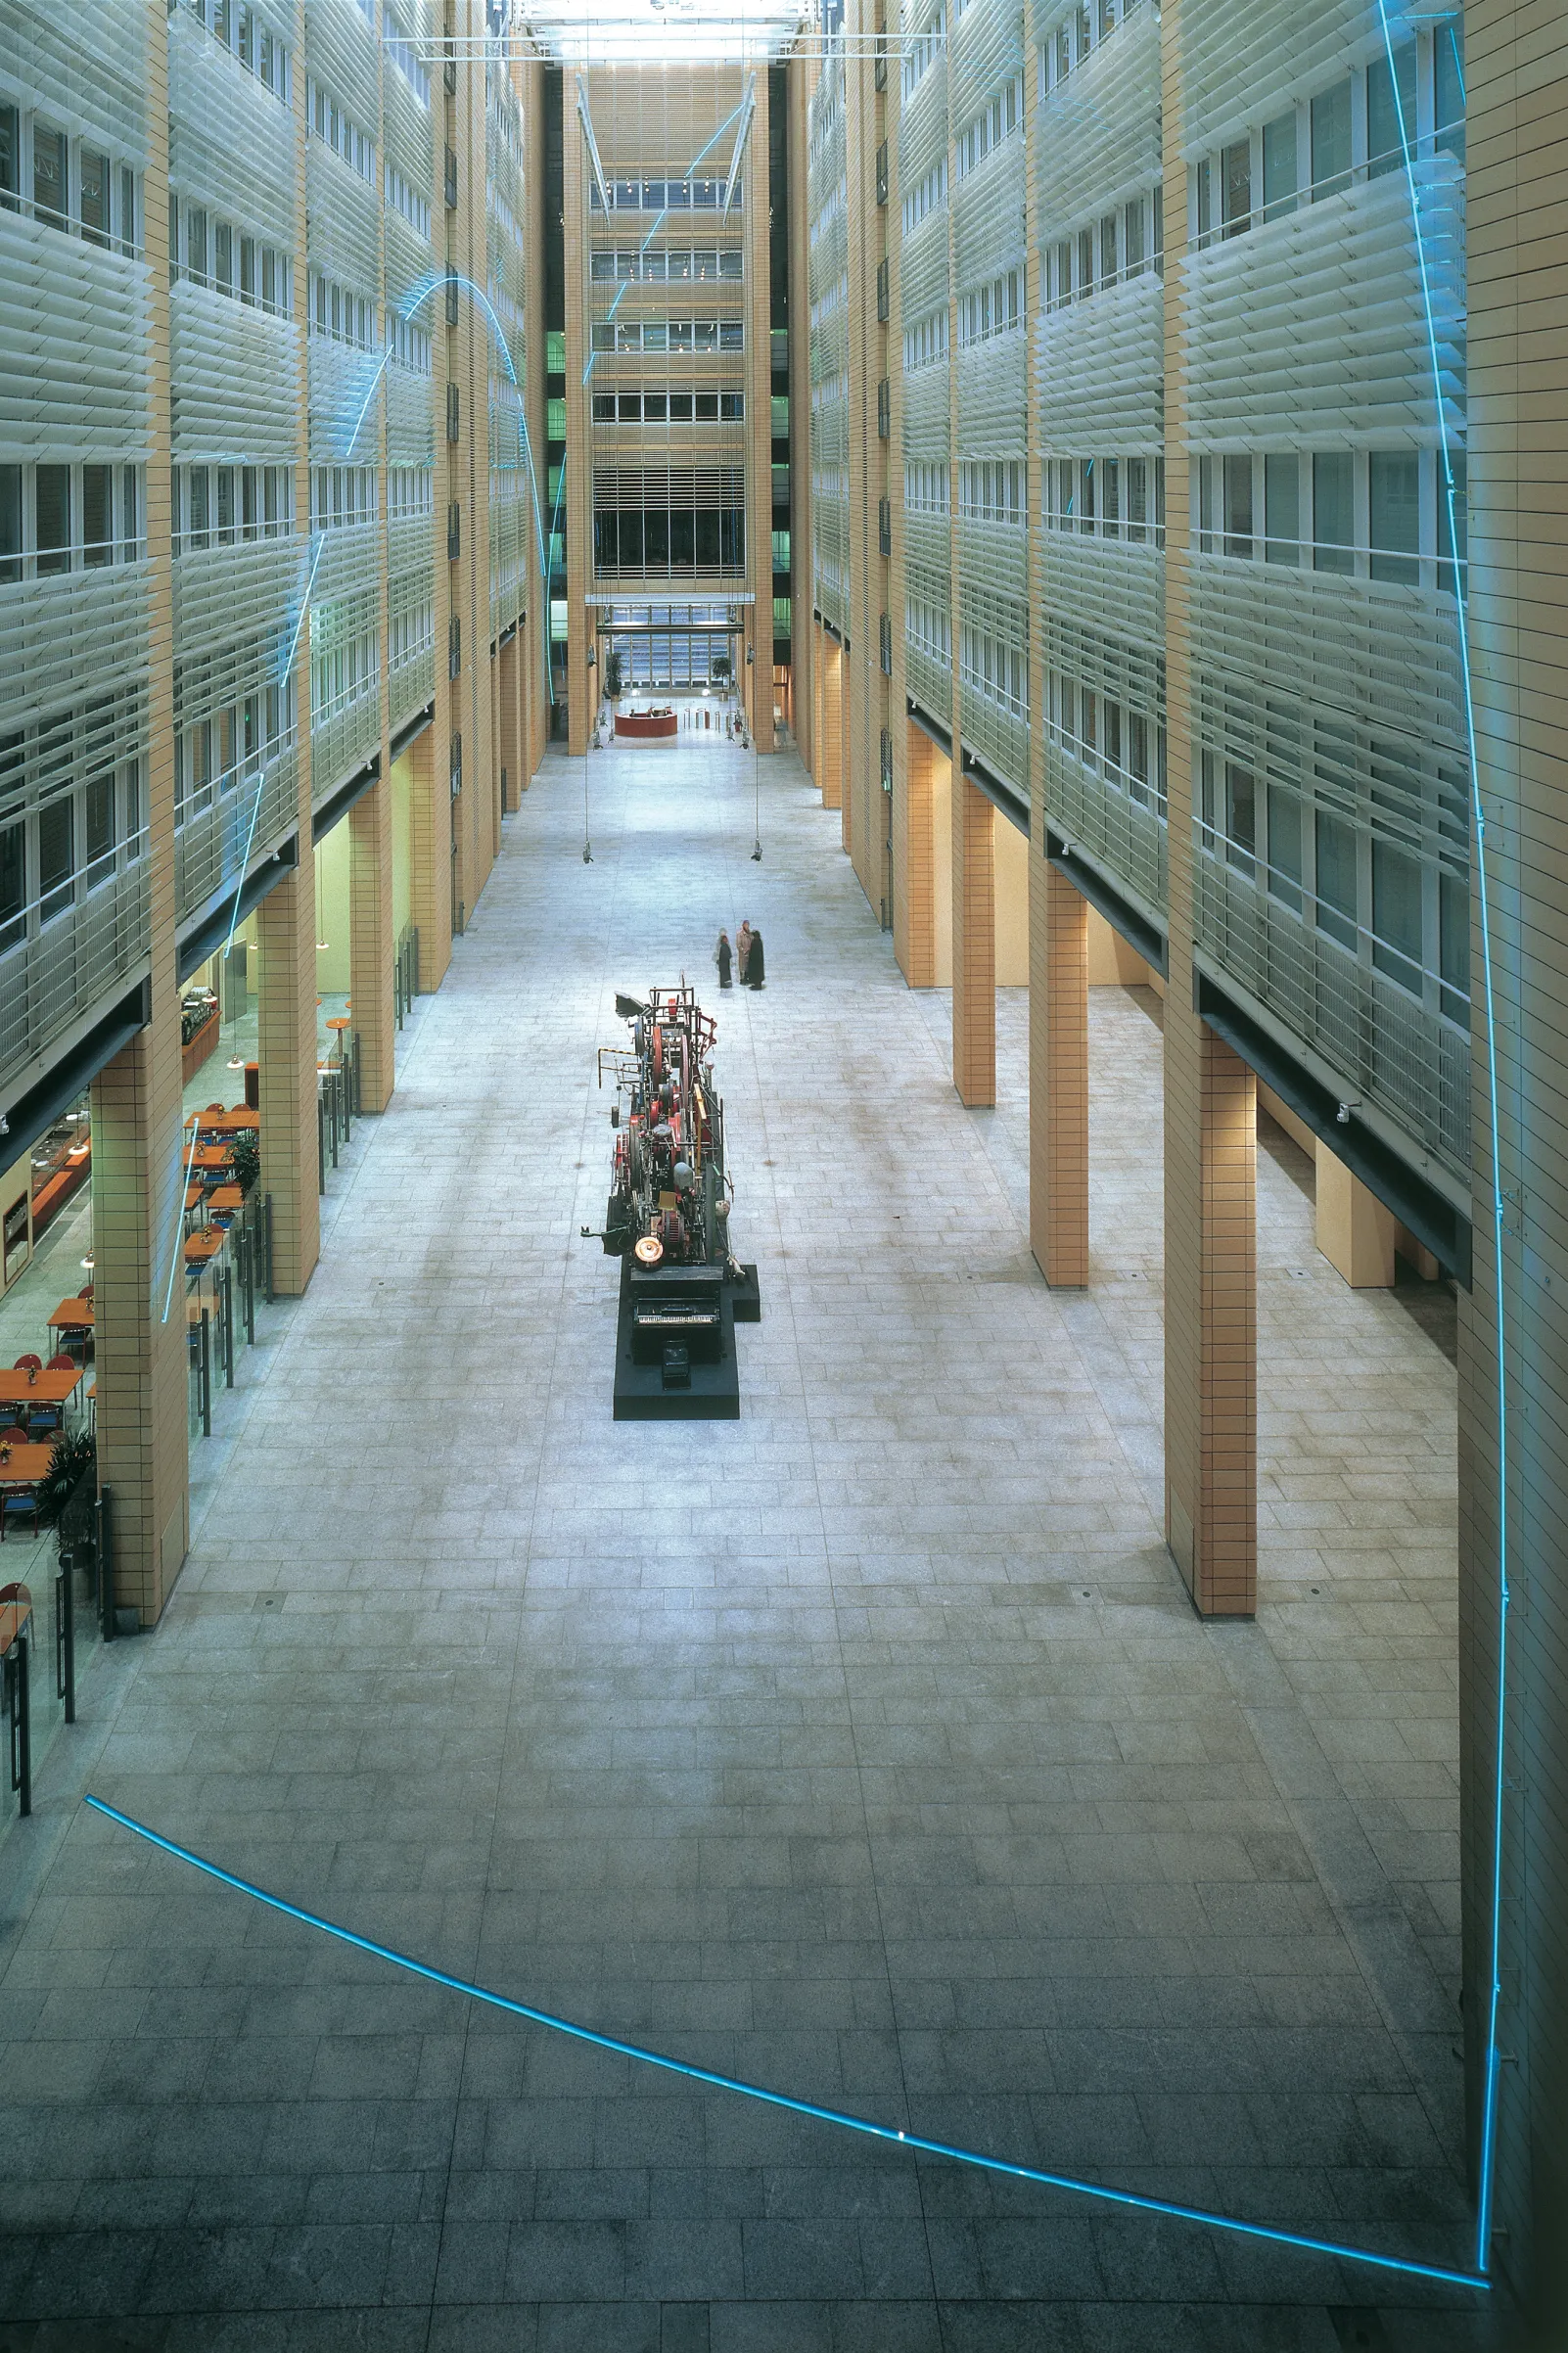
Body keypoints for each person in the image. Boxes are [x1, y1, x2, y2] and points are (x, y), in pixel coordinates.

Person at [748, 925, 764, 989]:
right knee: (757, 973)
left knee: (756, 973)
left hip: (755, 962)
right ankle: (757, 984)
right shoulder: (759, 941)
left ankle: (757, 985)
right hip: (758, 962)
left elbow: (753, 952)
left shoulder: (756, 942)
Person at [735, 921, 753, 985]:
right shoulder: (739, 934)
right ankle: (742, 979)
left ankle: (747, 977)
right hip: (743, 954)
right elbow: (738, 944)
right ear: (743, 925)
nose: (747, 926)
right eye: (745, 925)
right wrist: (743, 950)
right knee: (742, 967)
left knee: (748, 966)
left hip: (749, 953)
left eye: (748, 925)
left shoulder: (750, 934)